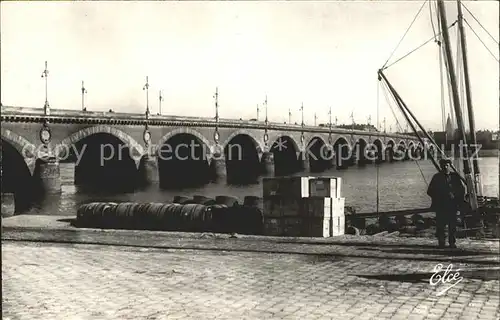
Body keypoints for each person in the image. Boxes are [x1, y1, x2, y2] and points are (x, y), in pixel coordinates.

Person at [426, 158, 466, 248]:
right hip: (441, 205)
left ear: (450, 166)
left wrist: (455, 195)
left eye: (447, 165)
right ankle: (441, 242)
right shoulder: (436, 177)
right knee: (441, 225)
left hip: (452, 205)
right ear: (440, 166)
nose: (445, 167)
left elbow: (462, 190)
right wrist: (441, 195)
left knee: (452, 225)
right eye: (443, 165)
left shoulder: (455, 176)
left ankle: (452, 242)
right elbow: (429, 191)